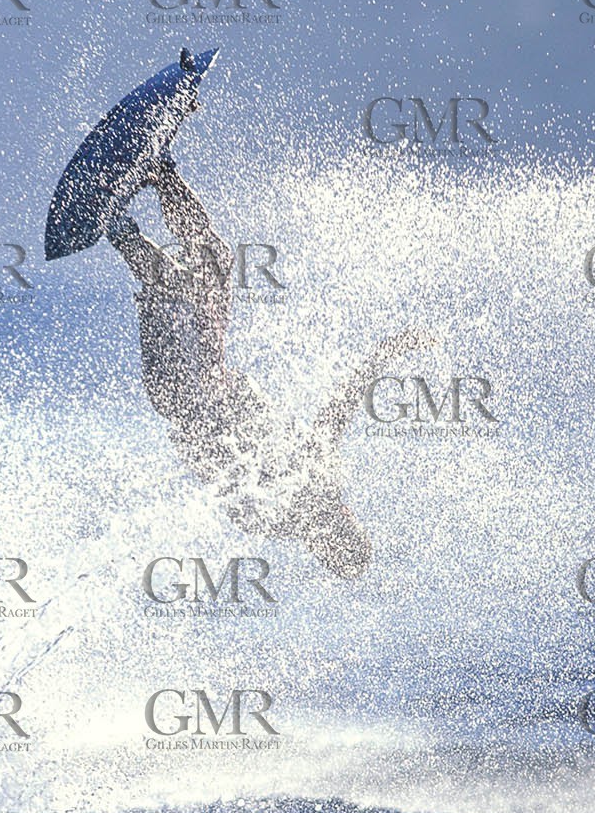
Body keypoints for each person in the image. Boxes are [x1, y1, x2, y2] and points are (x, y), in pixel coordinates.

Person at [105, 156, 428, 577]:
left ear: (319, 547)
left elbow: (202, 462)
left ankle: (113, 219)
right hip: (204, 372)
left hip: (185, 390)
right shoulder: (322, 480)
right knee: (214, 262)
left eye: (335, 536)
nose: (337, 523)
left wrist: (199, 419)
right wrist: (388, 352)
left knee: (178, 284)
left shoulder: (270, 517)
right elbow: (341, 405)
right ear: (351, 517)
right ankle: (157, 170)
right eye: (346, 526)